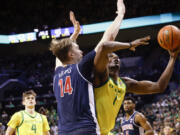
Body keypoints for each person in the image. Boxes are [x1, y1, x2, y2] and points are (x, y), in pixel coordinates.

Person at [49, 0, 150, 134]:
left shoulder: (57, 74)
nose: (81, 52)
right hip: (86, 129)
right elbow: (108, 39)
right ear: (71, 54)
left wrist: (74, 35)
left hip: (63, 132)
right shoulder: (80, 68)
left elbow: (59, 56)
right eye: (77, 49)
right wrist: (120, 15)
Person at [94, 45, 180, 134]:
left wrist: (172, 58)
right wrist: (129, 44)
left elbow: (159, 87)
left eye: (117, 57)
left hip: (106, 131)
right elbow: (103, 47)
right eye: (110, 56)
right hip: (90, 129)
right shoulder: (98, 79)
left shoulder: (125, 83)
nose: (115, 58)